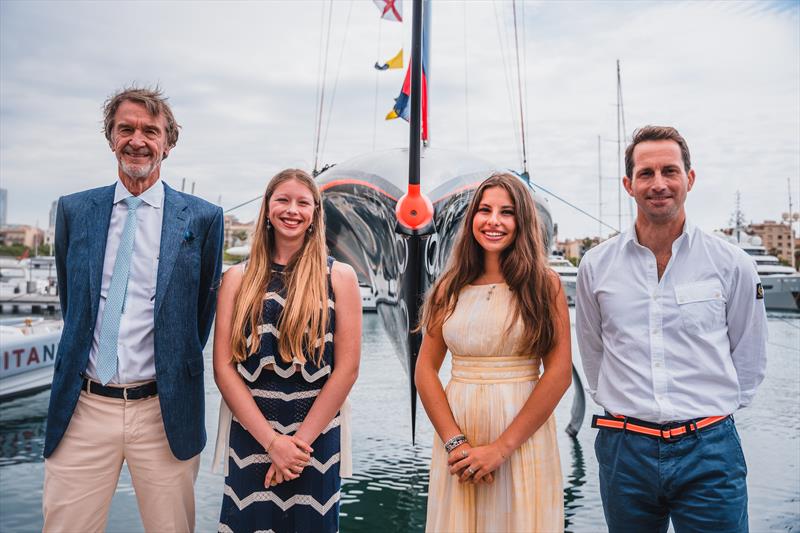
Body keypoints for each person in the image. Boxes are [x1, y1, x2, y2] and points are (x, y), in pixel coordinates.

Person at [43, 86, 224, 532]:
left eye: (150, 130)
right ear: (111, 138)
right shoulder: (74, 210)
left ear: (168, 142)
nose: (137, 139)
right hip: (83, 407)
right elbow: (74, 302)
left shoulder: (203, 219)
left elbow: (200, 313)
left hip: (164, 411)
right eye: (126, 129)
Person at [576, 125, 768, 533]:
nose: (658, 183)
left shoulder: (731, 264)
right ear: (629, 184)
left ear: (689, 179)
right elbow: (593, 353)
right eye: (646, 173)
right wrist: (629, 408)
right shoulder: (596, 266)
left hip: (710, 450)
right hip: (624, 452)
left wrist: (707, 418)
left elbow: (749, 358)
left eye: (670, 171)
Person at [415, 172, 572, 532]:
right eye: (484, 210)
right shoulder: (448, 288)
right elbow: (425, 369)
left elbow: (559, 373)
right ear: (472, 219)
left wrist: (501, 448)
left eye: (507, 212)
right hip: (458, 436)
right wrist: (455, 443)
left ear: (522, 221)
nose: (494, 221)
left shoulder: (544, 285)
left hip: (520, 439)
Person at [213, 169, 361, 533]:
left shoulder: (340, 277)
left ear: (314, 215)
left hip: (315, 439)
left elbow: (347, 370)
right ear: (266, 208)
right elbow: (223, 368)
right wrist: (272, 443)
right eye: (282, 200)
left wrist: (296, 446)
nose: (292, 209)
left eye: (302, 202)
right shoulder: (237, 279)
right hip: (251, 431)